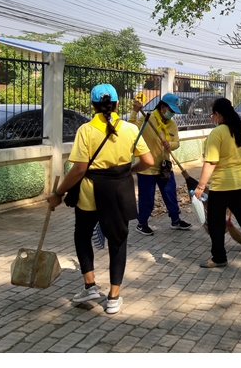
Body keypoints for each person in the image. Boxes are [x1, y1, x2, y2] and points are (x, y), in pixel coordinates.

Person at [47, 84, 153, 315]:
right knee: (118, 241)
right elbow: (148, 161)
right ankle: (113, 297)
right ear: (117, 104)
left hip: (90, 193)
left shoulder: (85, 130)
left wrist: (58, 193)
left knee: (82, 235)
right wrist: (128, 170)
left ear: (93, 106)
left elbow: (79, 169)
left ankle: (90, 286)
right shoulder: (130, 129)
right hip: (120, 192)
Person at [192, 98, 241, 268]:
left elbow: (211, 162)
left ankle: (219, 257)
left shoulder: (217, 133)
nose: (212, 117)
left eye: (212, 114)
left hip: (221, 185)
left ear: (218, 114)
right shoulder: (240, 130)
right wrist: (238, 166)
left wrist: (201, 186)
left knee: (215, 221)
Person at [129, 93, 192, 235]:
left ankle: (175, 220)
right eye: (171, 110)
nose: (172, 114)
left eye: (174, 111)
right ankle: (142, 223)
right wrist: (134, 111)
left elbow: (177, 142)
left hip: (165, 167)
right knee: (147, 197)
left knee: (170, 194)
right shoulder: (147, 118)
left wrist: (170, 144)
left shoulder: (172, 124)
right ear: (162, 107)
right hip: (147, 167)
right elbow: (130, 129)